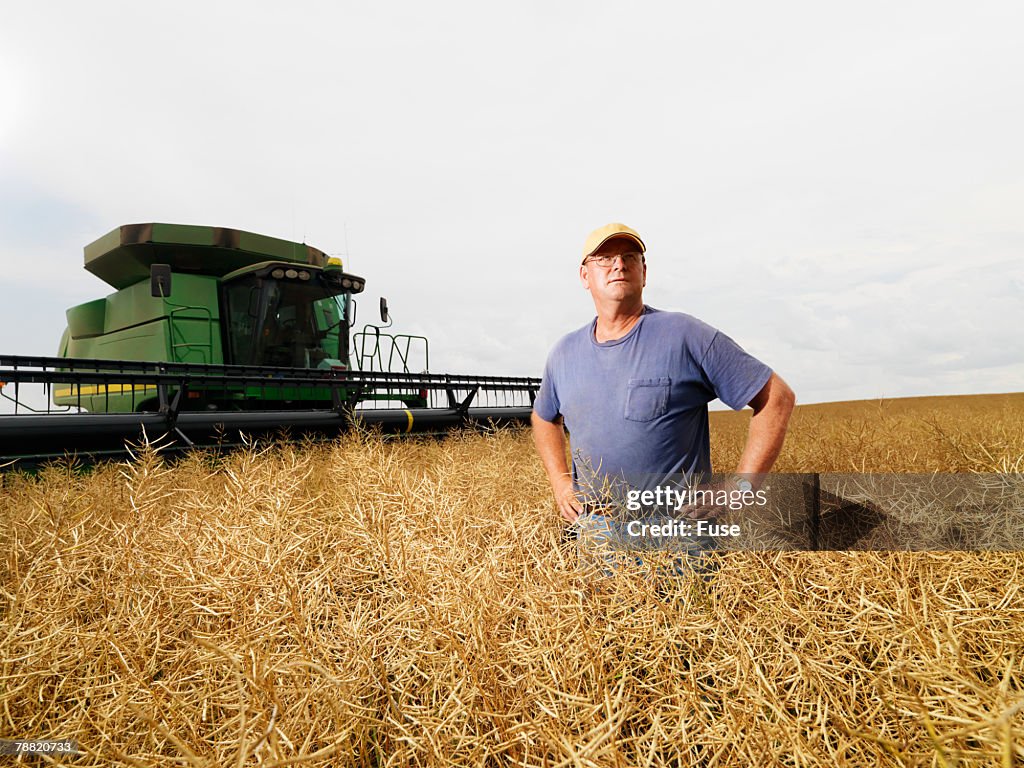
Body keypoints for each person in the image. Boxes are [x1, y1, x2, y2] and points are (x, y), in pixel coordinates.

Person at [531, 223, 795, 566]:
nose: (619, 265)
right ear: (584, 276)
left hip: (677, 535)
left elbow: (777, 397)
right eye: (605, 258)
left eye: (630, 257)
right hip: (595, 531)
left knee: (687, 618)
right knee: (597, 619)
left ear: (644, 272)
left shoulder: (685, 335)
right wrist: (560, 480)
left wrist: (740, 488)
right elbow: (543, 418)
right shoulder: (564, 353)